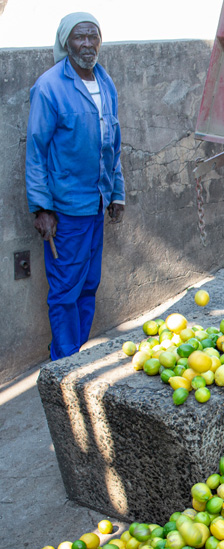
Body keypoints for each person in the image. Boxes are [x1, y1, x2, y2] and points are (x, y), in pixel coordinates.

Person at [26, 12, 125, 361]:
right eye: (79, 37)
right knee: (65, 290)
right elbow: (36, 151)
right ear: (66, 42)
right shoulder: (50, 87)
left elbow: (113, 145)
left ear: (100, 41)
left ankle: (76, 355)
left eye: (92, 37)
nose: (87, 44)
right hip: (65, 211)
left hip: (96, 205)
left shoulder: (105, 82)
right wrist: (41, 208)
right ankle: (64, 362)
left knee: (88, 286)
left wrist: (117, 193)